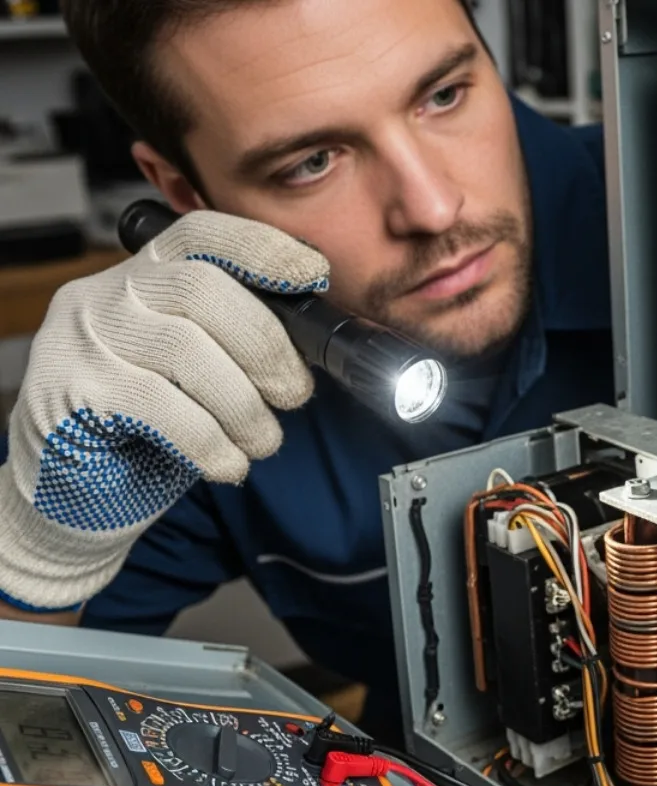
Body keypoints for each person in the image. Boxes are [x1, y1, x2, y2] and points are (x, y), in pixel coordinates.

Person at [0, 0, 613, 741]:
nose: (433, 207)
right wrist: (38, 561)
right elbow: (27, 730)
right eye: (311, 163)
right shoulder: (180, 378)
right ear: (188, 197)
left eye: (443, 95)